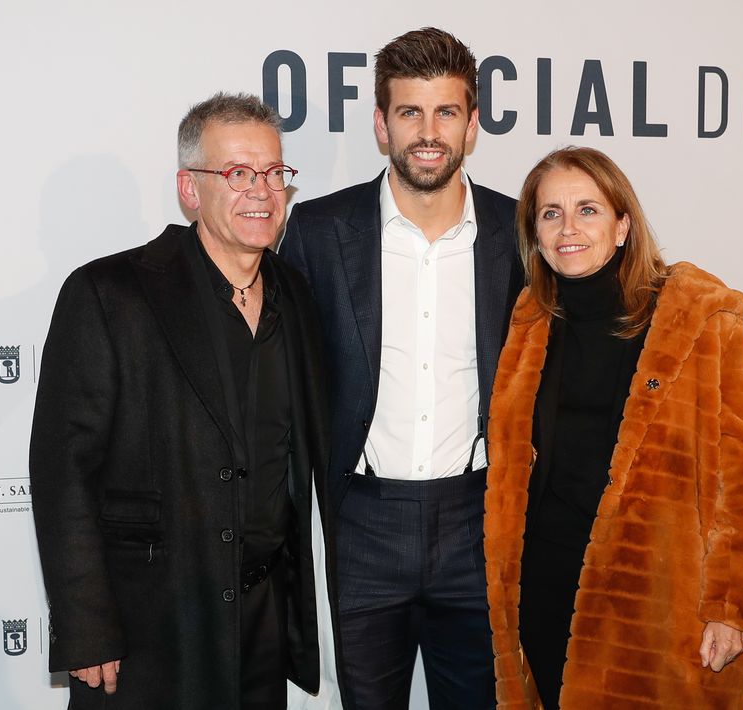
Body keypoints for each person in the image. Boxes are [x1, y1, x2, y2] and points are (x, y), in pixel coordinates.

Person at [30, 92, 331, 710]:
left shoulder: (296, 296)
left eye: (275, 173)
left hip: (262, 623)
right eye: (238, 173)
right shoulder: (110, 293)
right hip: (151, 626)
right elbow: (63, 472)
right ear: (189, 189)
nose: (263, 191)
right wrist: (86, 628)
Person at [280, 27, 523, 710]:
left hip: (477, 523)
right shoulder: (318, 232)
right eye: (410, 112)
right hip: (362, 523)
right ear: (381, 124)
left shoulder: (518, 235)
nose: (428, 131)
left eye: (446, 111)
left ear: (473, 125)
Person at [483, 147, 743, 709]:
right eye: (550, 213)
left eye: (587, 209)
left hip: (654, 594)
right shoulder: (530, 322)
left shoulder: (699, 320)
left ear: (622, 225)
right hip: (545, 586)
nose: (568, 228)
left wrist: (733, 605)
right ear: (535, 235)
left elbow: (741, 479)